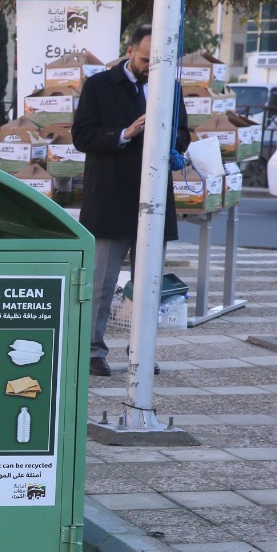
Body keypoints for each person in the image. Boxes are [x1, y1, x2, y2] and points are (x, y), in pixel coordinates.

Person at [72, 25, 191, 377]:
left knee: (149, 284)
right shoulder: (99, 85)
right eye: (144, 59)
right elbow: (82, 136)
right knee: (101, 283)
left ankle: (142, 349)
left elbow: (184, 133)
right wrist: (126, 133)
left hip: (153, 198)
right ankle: (92, 351)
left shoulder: (170, 86)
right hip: (110, 198)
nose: (150, 66)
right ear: (129, 51)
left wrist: (171, 141)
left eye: (157, 61)